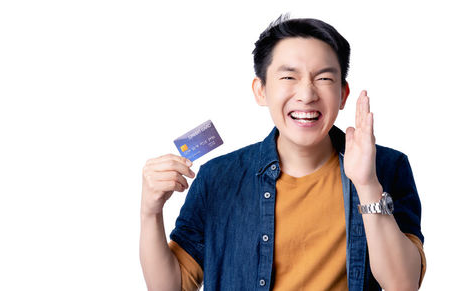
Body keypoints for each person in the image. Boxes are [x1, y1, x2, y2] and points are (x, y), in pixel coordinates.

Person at [139, 15, 426, 291]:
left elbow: (402, 284)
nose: (307, 94)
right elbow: (170, 286)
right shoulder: (217, 177)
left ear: (343, 95)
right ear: (261, 90)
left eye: (324, 79)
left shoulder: (388, 167)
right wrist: (150, 212)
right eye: (289, 77)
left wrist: (367, 185)